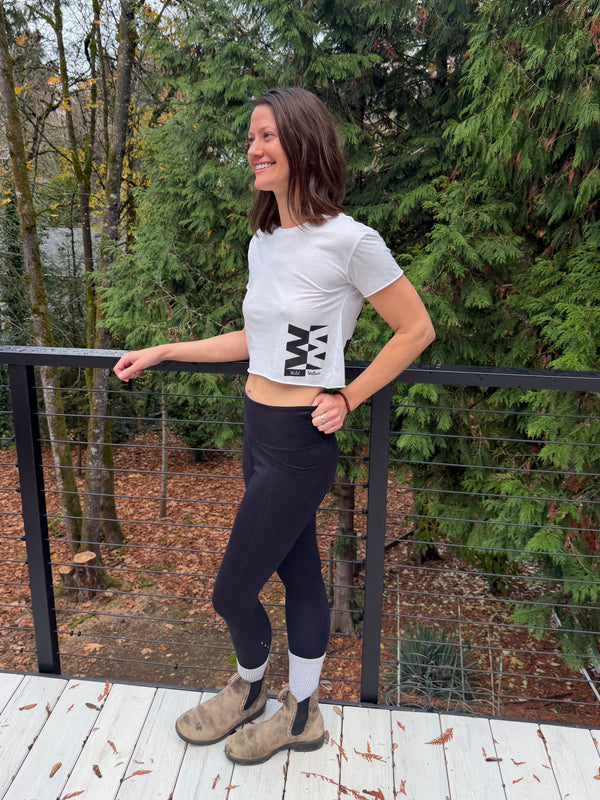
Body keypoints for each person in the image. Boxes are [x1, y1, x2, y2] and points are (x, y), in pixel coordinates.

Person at [113, 87, 435, 765]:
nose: (252, 149)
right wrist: (168, 351)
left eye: (266, 136)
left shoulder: (351, 241)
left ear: (302, 142)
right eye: (250, 137)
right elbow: (257, 340)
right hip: (258, 431)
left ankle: (253, 691)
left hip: (300, 444)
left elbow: (415, 329)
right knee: (301, 577)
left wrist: (347, 397)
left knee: (231, 589)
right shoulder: (266, 241)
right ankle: (304, 714)